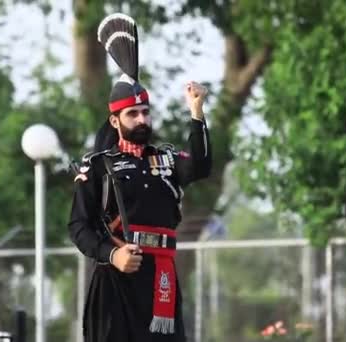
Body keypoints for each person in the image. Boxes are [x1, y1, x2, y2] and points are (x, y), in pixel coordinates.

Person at [68, 13, 211, 342]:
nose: (142, 118)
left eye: (145, 111)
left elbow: (201, 166)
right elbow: (78, 227)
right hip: (116, 277)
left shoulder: (167, 160)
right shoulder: (99, 167)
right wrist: (112, 254)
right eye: (133, 113)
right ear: (115, 121)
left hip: (161, 276)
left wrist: (197, 111)